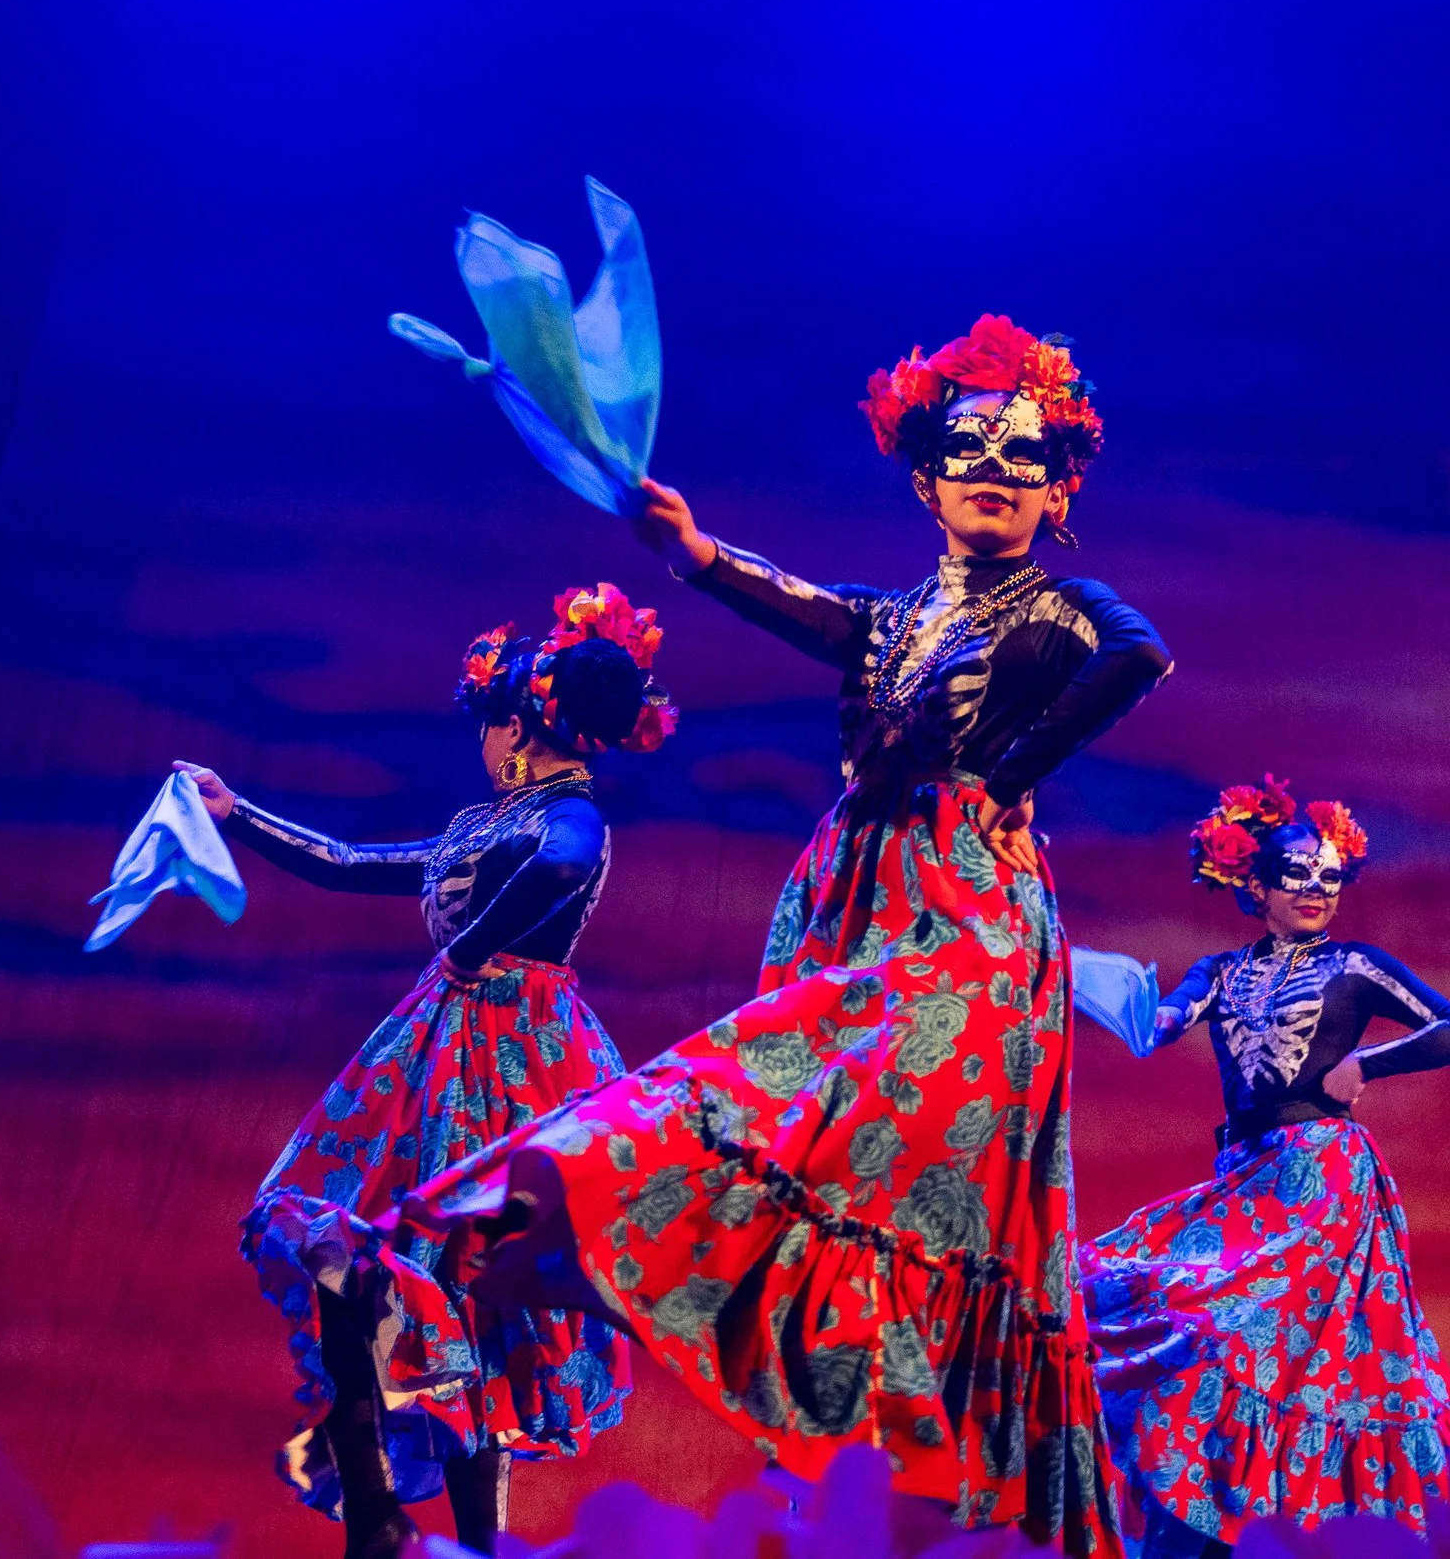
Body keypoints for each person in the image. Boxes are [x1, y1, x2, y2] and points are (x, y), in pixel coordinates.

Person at [394, 314, 1171, 1556]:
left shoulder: (1062, 607)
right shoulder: (893, 616)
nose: (993, 467)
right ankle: (562, 1218)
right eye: (966, 446)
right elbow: (801, 604)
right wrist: (696, 553)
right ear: (924, 478)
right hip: (856, 902)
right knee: (788, 1113)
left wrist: (1008, 770)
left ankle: (955, 1468)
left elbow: (1140, 656)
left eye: (1023, 455)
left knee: (921, 1161)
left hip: (972, 910)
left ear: (1057, 486)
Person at [184, 583, 674, 1558]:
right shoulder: (484, 822)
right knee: (356, 1258)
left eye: (491, 728)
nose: (485, 750)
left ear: (518, 728)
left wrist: (469, 950)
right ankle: (375, 1510)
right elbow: (347, 859)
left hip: (517, 1057)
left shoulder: (567, 817)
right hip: (436, 1050)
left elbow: (563, 871)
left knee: (464, 1294)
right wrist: (237, 815)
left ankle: (467, 1539)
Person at [1079, 777, 1450, 1559]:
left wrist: (1369, 1060)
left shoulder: (1356, 965)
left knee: (1271, 1347)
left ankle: (1288, 1527)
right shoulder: (1222, 971)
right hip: (1246, 1179)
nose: (1314, 890)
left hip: (1322, 1182)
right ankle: (1203, 1519)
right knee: (1155, 1307)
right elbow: (1168, 1021)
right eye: (1296, 876)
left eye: (1329, 878)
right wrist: (1123, 1000)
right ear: (1256, 885)